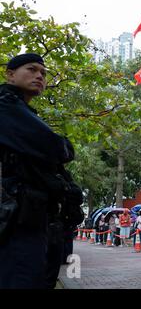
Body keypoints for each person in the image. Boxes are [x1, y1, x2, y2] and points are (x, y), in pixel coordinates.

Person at [0, 54, 83, 289]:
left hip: (35, 218)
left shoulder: (21, 109)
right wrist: (62, 146)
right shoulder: (5, 105)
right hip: (17, 220)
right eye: (32, 69)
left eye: (43, 73)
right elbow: (57, 148)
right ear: (10, 74)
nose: (39, 76)